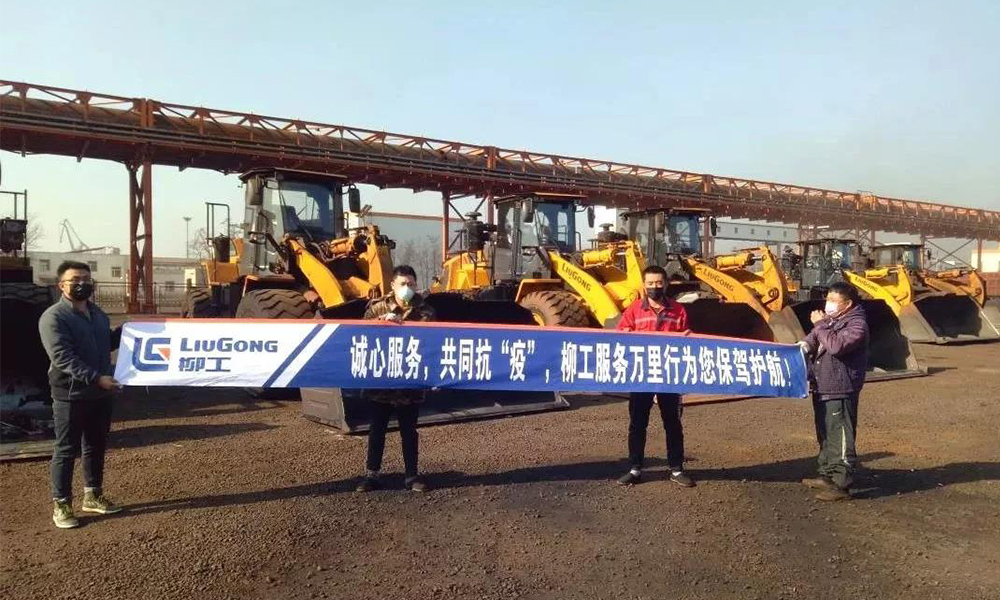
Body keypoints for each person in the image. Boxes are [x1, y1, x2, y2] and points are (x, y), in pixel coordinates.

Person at [39, 261, 122, 529]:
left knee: (95, 446)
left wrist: (132, 331)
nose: (82, 283)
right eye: (75, 279)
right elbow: (63, 358)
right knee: (66, 450)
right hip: (71, 395)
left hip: (100, 394)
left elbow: (107, 343)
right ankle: (62, 504)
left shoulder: (97, 314)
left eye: (86, 278)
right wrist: (97, 378)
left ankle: (93, 495)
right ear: (61, 285)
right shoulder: (54, 317)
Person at [356, 265, 436, 493]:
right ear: (392, 285)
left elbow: (431, 339)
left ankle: (411, 476)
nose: (406, 288)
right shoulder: (377, 307)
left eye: (411, 284)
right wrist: (380, 323)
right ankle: (372, 475)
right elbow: (362, 335)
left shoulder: (426, 311)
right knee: (377, 429)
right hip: (382, 380)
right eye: (402, 284)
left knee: (409, 431)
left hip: (409, 382)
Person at [615, 265, 695, 488]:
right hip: (641, 375)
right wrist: (626, 335)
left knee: (672, 423)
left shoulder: (678, 310)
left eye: (658, 283)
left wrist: (689, 337)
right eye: (650, 283)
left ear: (666, 284)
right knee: (637, 423)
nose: (654, 287)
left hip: (668, 375)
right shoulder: (633, 310)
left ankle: (676, 469)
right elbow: (620, 334)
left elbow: (686, 337)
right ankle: (635, 468)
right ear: (644, 285)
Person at [798, 281, 869, 501]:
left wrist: (820, 324)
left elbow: (836, 346)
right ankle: (826, 474)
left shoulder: (857, 325)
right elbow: (814, 339)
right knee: (826, 433)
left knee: (840, 435)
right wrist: (802, 346)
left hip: (840, 387)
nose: (828, 304)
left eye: (833, 300)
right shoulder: (831, 320)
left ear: (847, 304)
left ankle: (841, 483)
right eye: (827, 299)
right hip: (823, 385)